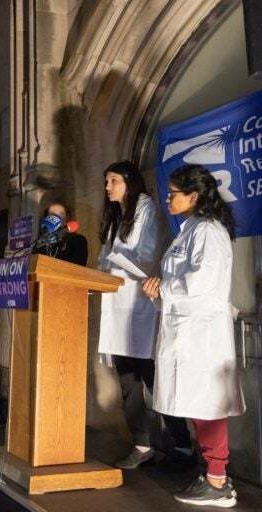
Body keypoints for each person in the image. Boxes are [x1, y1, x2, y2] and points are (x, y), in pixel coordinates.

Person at [143, 165, 245, 507]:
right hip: (186, 330)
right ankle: (213, 476)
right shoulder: (188, 231)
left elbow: (201, 281)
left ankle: (218, 482)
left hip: (202, 332)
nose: (168, 198)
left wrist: (164, 288)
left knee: (208, 403)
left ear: (194, 196)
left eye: (173, 193)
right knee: (198, 403)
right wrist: (160, 290)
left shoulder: (209, 231)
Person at [96, 161, 191, 470]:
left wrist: (115, 263)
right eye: (106, 181)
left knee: (155, 380)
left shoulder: (147, 210)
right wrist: (101, 272)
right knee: (127, 382)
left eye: (113, 180)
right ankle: (142, 443)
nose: (108, 186)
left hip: (142, 308)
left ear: (129, 182)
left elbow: (149, 256)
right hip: (116, 310)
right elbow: (102, 258)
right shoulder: (114, 218)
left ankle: (183, 445)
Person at [34, 200, 89, 266]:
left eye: (61, 213)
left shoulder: (77, 240)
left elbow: (78, 268)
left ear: (67, 218)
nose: (57, 217)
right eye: (52, 214)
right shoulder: (41, 242)